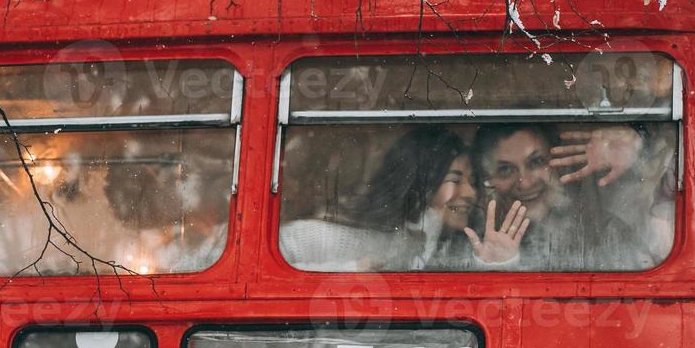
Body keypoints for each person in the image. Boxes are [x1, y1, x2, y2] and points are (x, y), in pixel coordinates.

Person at [280, 126, 529, 271]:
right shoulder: (329, 235)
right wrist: (348, 272)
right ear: (417, 183)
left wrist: (497, 263)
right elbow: (277, 258)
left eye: (473, 182)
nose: (471, 193)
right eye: (454, 180)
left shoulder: (458, 247)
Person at [472, 123, 661, 271]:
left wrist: (638, 147)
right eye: (505, 170)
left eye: (536, 162)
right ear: (488, 179)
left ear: (558, 164)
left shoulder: (606, 231)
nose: (525, 182)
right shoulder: (473, 239)